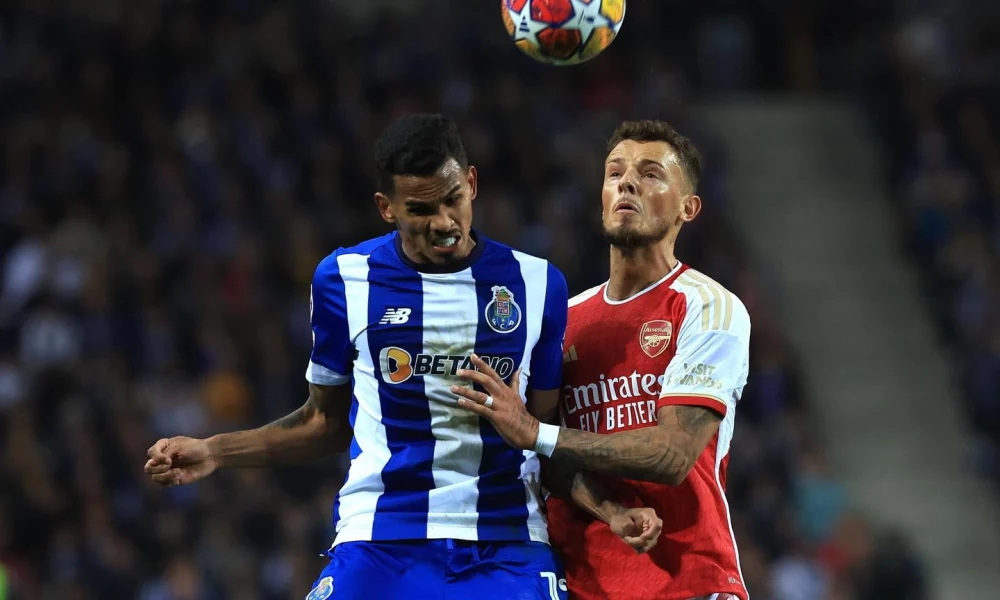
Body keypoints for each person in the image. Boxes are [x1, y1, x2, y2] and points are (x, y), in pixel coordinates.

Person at [143, 114, 661, 600]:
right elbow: (323, 422)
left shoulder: (536, 284)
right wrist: (215, 451)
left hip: (504, 543)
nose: (443, 223)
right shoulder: (343, 279)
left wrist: (610, 510)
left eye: (453, 199)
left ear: (473, 185)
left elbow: (547, 438)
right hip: (379, 540)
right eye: (420, 210)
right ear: (386, 207)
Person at [453, 120, 751, 600]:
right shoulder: (562, 317)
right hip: (581, 582)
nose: (627, 182)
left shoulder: (707, 306)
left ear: (687, 208)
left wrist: (536, 432)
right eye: (615, 173)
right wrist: (610, 509)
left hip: (687, 580)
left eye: (651, 174)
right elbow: (550, 461)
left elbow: (672, 455)